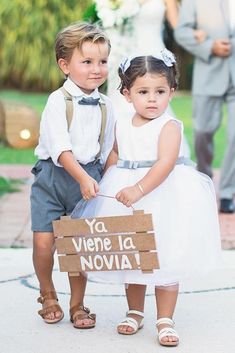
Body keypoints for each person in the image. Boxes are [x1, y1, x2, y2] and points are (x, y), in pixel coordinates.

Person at [72, 49, 221, 346]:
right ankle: (135, 312)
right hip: (124, 194)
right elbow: (115, 153)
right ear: (127, 94)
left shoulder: (169, 126)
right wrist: (106, 178)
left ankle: (165, 318)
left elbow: (165, 163)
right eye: (143, 91)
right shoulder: (123, 122)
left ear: (172, 92)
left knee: (165, 255)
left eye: (160, 91)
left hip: (160, 194)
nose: (152, 99)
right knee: (133, 255)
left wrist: (139, 189)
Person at [30, 21, 114, 328]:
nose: (96, 69)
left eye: (102, 61)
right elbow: (61, 149)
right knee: (43, 242)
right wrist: (81, 178)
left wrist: (108, 178)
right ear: (65, 65)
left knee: (79, 245)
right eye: (87, 62)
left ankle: (78, 303)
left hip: (88, 177)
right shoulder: (57, 101)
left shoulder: (107, 104)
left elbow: (107, 150)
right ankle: (47, 291)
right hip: (52, 177)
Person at [174, 0, 235, 213]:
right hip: (209, 72)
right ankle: (206, 181)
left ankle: (228, 192)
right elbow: (181, 32)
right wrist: (209, 46)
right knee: (203, 132)